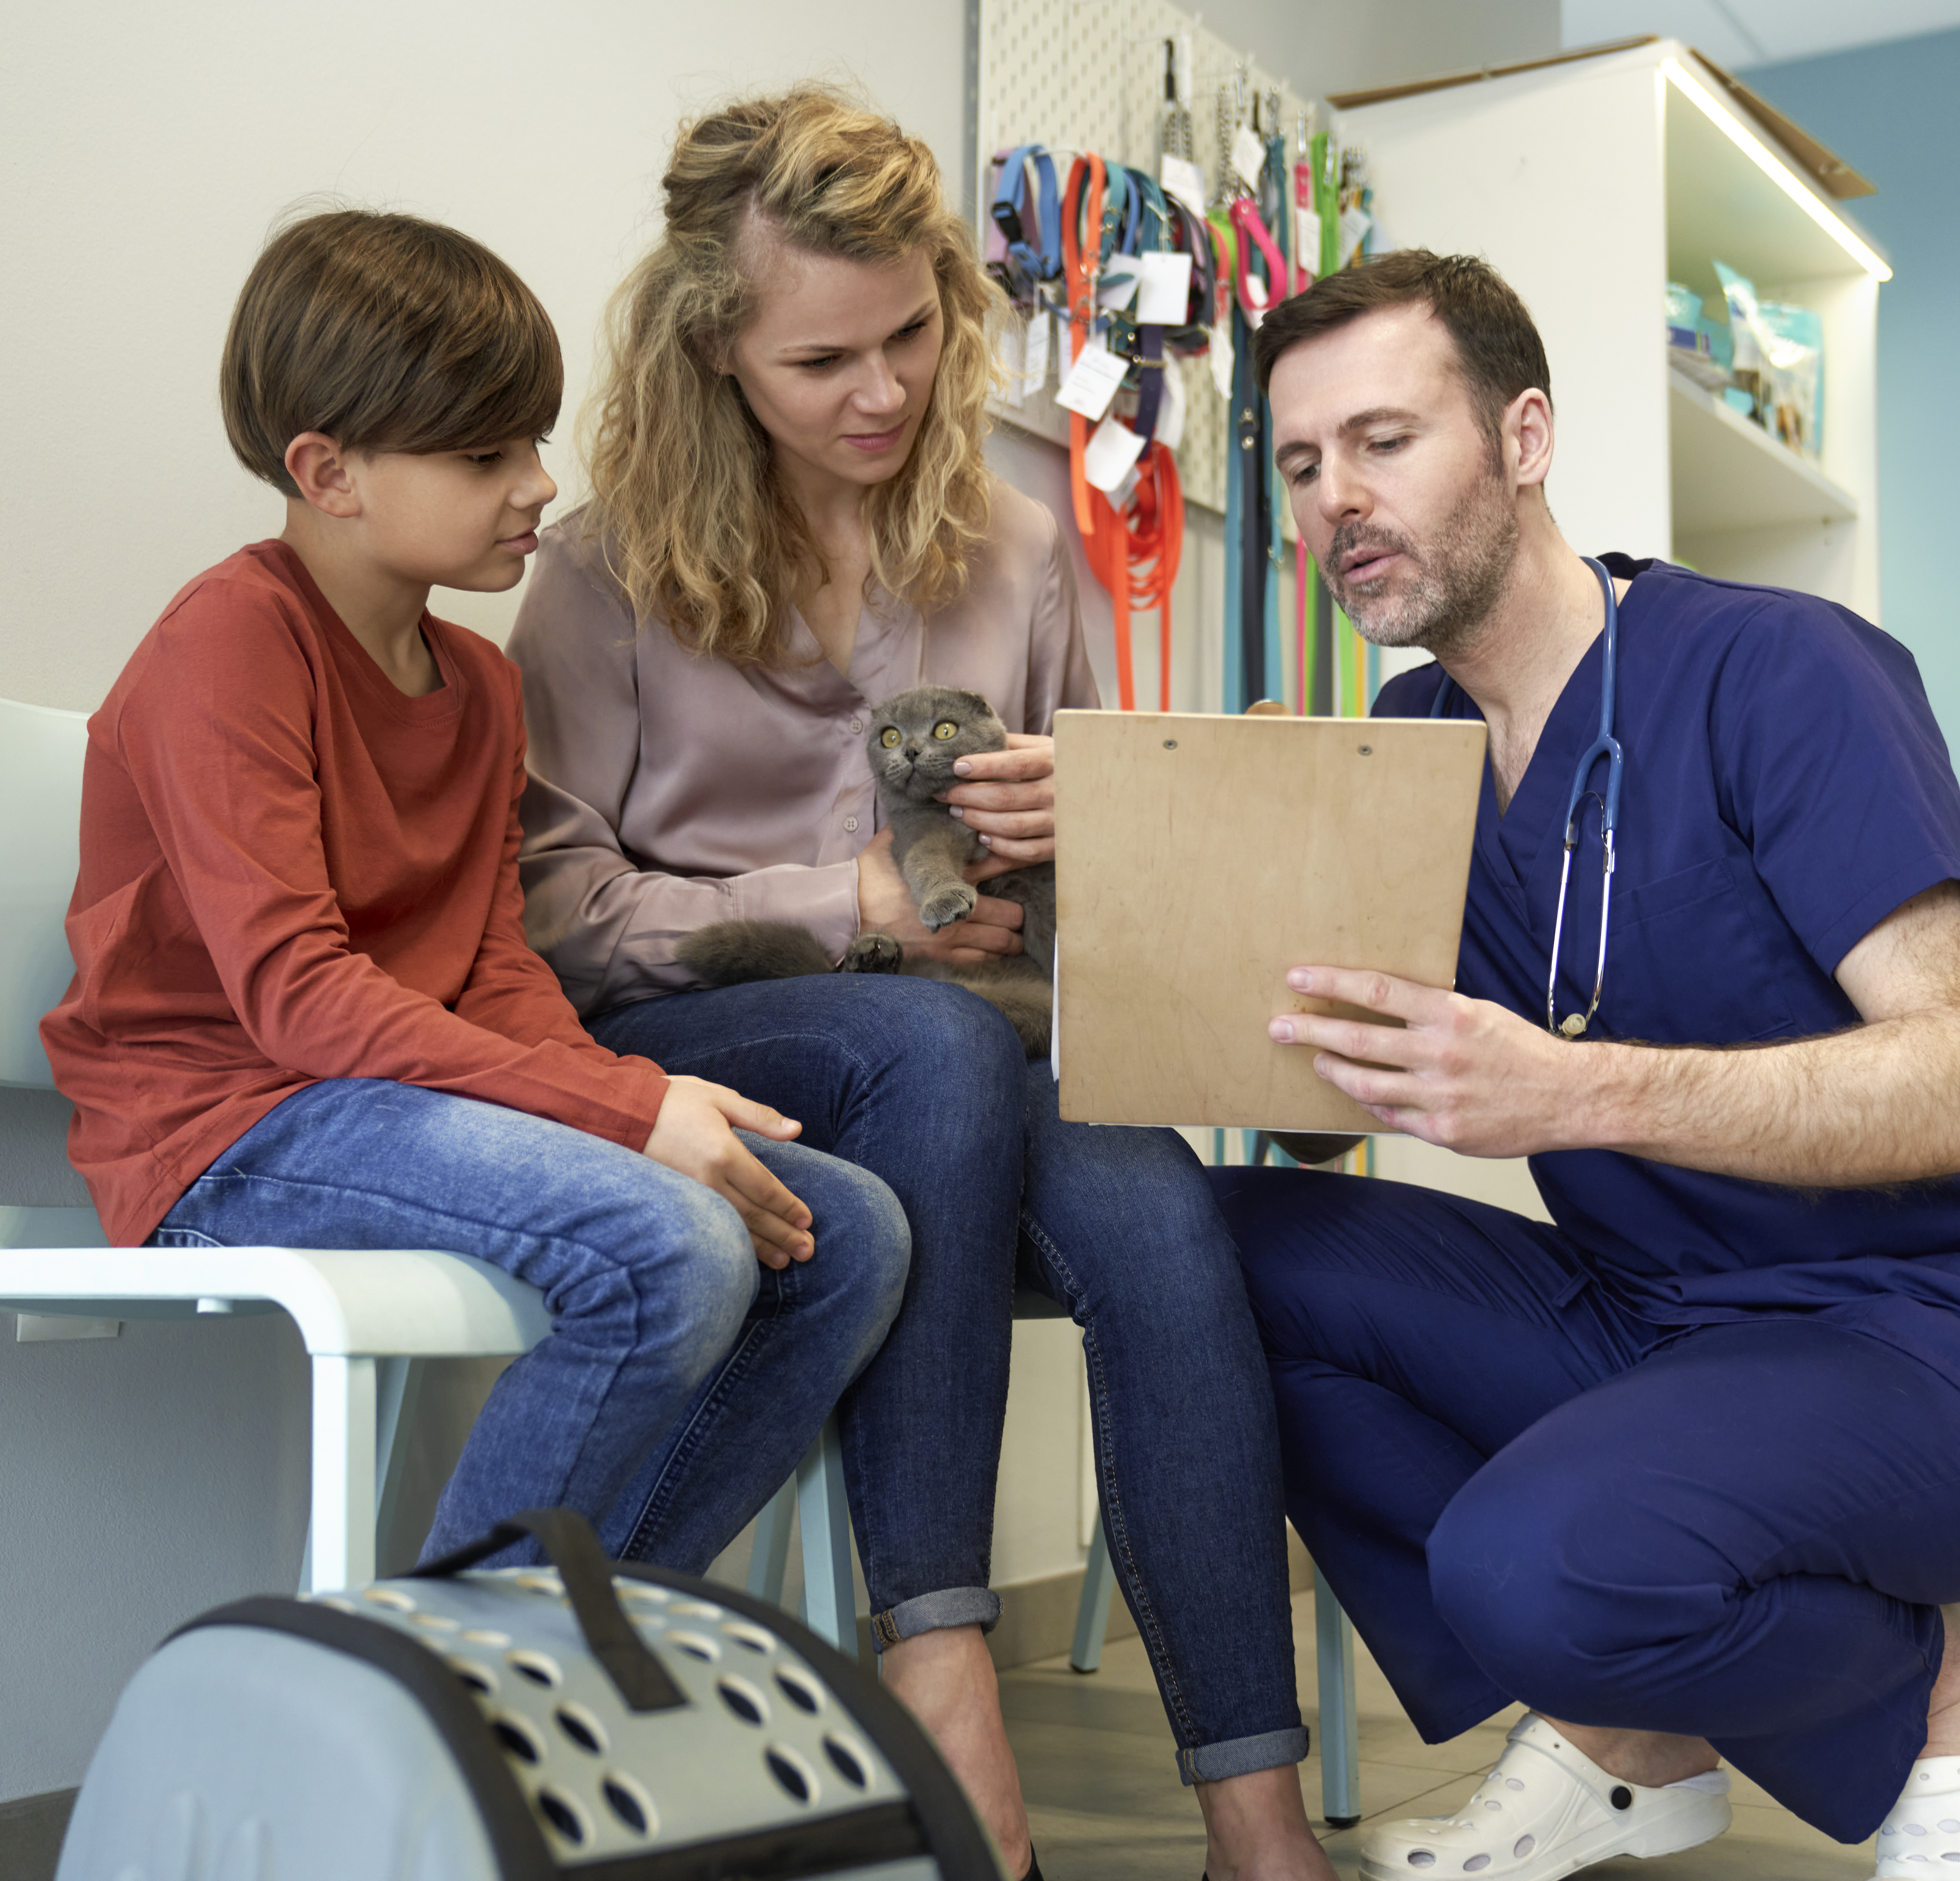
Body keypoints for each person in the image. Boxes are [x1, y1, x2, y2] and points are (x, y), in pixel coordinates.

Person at [1209, 250, 1960, 1881]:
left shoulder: (1782, 673)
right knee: (1209, 1251)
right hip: (1651, 1320)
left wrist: (1572, 1093)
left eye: (1382, 441)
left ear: (1523, 437)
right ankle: (1632, 1738)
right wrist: (1237, 873)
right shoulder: (1406, 745)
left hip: (1934, 1341)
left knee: (1528, 1567)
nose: (1333, 499)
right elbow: (1317, 1138)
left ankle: (1935, 1691)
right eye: (1298, 464)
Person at [508, 90, 1331, 1881]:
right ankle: (940, 1671)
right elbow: (550, 911)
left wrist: (1099, 822)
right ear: (716, 354)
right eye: (822, 361)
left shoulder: (1018, 549)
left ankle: (1259, 1831)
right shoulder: (598, 569)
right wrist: (852, 906)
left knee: (1162, 1215)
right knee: (930, 1041)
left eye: (910, 335)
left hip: (982, 1050)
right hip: (711, 1047)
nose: (882, 391)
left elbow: (1085, 917)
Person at [40, 209, 910, 1578]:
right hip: (223, 1124)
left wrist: (620, 1097)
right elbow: (297, 999)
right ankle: (455, 1669)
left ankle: (572, 1632)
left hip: (385, 1099)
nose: (537, 486)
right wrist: (628, 1114)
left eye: (532, 443)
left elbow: (495, 966)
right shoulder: (231, 643)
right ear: (327, 471)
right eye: (483, 456)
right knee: (672, 1248)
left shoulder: (483, 686)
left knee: (847, 1235)